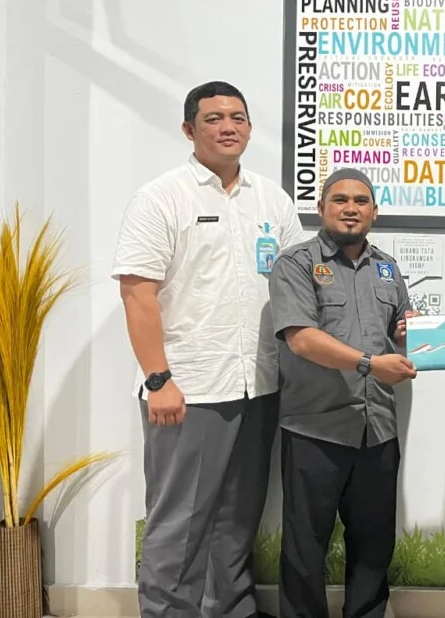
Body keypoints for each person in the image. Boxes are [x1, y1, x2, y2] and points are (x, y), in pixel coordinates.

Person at [112, 80, 305, 618]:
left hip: (258, 384)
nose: (228, 127)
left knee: (239, 516)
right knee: (180, 520)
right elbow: (137, 293)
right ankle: (167, 611)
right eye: (214, 118)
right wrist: (158, 379)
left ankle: (231, 608)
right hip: (188, 390)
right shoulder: (161, 197)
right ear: (188, 129)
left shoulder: (271, 199)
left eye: (237, 118)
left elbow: (297, 283)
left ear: (249, 128)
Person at [268, 167, 417, 618]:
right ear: (321, 208)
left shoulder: (387, 268)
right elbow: (301, 339)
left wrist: (409, 333)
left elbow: (401, 330)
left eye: (361, 200)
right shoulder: (295, 263)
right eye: (340, 200)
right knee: (304, 548)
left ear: (374, 211)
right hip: (315, 429)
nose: (351, 208)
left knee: (374, 545)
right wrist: (370, 363)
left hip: (378, 430)